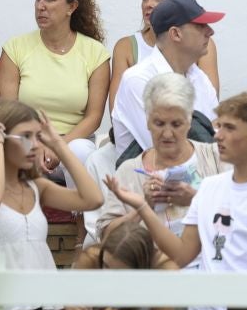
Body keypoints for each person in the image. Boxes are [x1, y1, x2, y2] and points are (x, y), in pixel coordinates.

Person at [107, 93, 247, 310]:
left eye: (229, 128)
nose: (218, 135)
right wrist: (142, 206)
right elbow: (182, 255)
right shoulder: (210, 187)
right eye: (218, 126)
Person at [0, 99, 102, 270]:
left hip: (41, 292)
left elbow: (93, 200)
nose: (35, 145)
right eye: (25, 137)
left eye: (38, 137)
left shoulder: (36, 187)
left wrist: (58, 144)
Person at [0, 0, 108, 168]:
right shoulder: (15, 48)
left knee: (81, 151)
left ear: (71, 7)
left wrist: (58, 147)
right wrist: (35, 144)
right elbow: (9, 110)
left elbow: (94, 117)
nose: (40, 6)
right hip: (25, 141)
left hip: (72, 145)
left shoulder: (95, 53)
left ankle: (80, 201)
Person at [90, 71, 220, 241]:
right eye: (159, 123)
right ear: (147, 121)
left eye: (176, 124)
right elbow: (107, 236)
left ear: (189, 121)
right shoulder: (130, 171)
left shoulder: (215, 158)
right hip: (150, 265)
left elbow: (244, 215)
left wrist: (195, 199)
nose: (167, 134)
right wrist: (144, 207)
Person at [111, 0, 224, 160]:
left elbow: (217, 134)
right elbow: (167, 151)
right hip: (148, 183)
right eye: (201, 25)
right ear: (176, 34)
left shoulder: (198, 76)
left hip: (196, 175)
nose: (210, 31)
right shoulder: (137, 80)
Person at [108, 0, 223, 119]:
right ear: (175, 33)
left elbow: (211, 118)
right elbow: (155, 134)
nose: (148, 4)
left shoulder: (198, 73)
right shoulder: (134, 71)